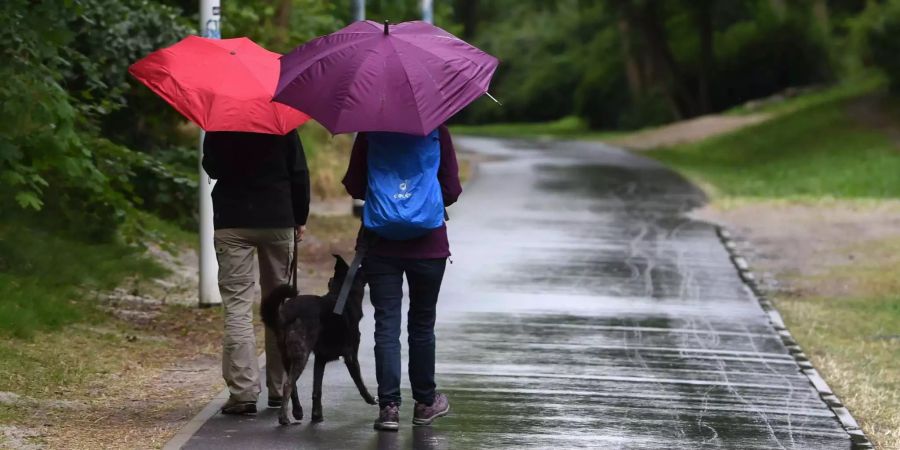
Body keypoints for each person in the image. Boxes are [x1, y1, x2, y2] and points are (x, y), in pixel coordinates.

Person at [342, 125, 462, 431]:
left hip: (381, 244)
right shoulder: (437, 130)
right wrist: (419, 201)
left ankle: (389, 409)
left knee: (386, 325)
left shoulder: (369, 133)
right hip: (429, 245)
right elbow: (451, 190)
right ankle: (424, 403)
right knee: (422, 324)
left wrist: (388, 198)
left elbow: (355, 186)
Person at [202, 130, 310, 415]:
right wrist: (299, 217)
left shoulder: (220, 121)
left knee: (237, 308)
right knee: (280, 308)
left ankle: (243, 393)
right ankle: (280, 389)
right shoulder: (282, 122)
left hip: (232, 220)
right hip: (277, 217)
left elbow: (211, 166)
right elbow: (299, 172)